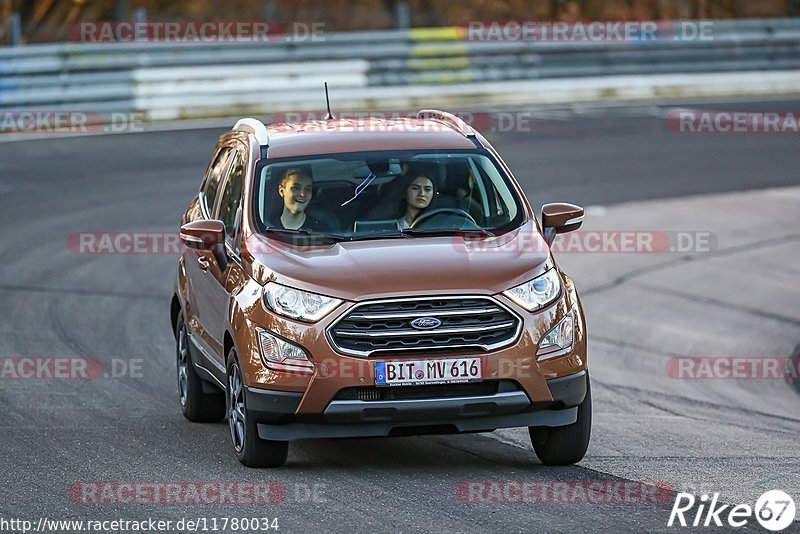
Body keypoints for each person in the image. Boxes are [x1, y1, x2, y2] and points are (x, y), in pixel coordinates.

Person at [395, 165, 436, 229]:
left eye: (427, 189)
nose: (422, 194)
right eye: (415, 188)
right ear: (404, 193)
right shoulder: (393, 225)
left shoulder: (441, 224)